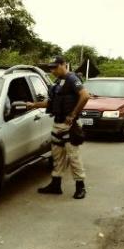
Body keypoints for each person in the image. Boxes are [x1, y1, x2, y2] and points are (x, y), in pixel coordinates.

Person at [27, 56, 90, 199]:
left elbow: (85, 96)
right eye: (51, 68)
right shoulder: (57, 83)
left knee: (74, 157)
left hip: (70, 126)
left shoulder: (72, 79)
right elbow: (50, 103)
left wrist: (73, 114)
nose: (52, 70)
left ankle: (81, 187)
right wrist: (33, 104)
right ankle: (56, 185)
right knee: (57, 156)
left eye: (55, 67)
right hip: (57, 124)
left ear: (63, 65)